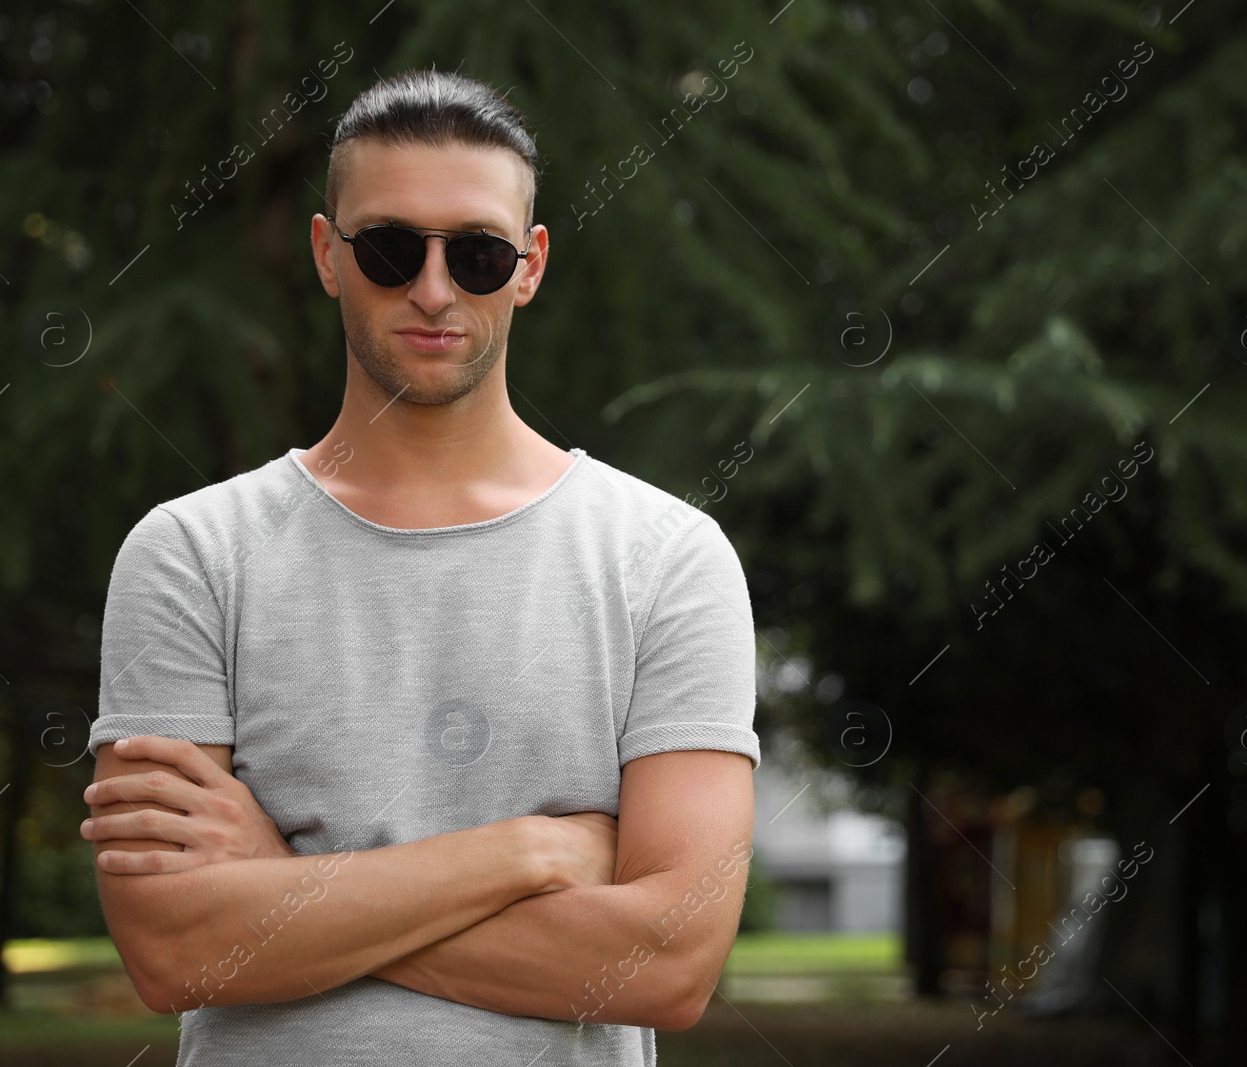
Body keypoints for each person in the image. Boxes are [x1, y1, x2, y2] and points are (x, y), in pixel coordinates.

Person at [80, 69, 760, 1067]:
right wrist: (525, 851)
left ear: (529, 265)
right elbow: (173, 946)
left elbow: (666, 964)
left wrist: (284, 882)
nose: (434, 289)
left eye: (477, 254)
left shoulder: (666, 559)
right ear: (327, 253)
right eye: (391, 247)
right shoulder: (190, 554)